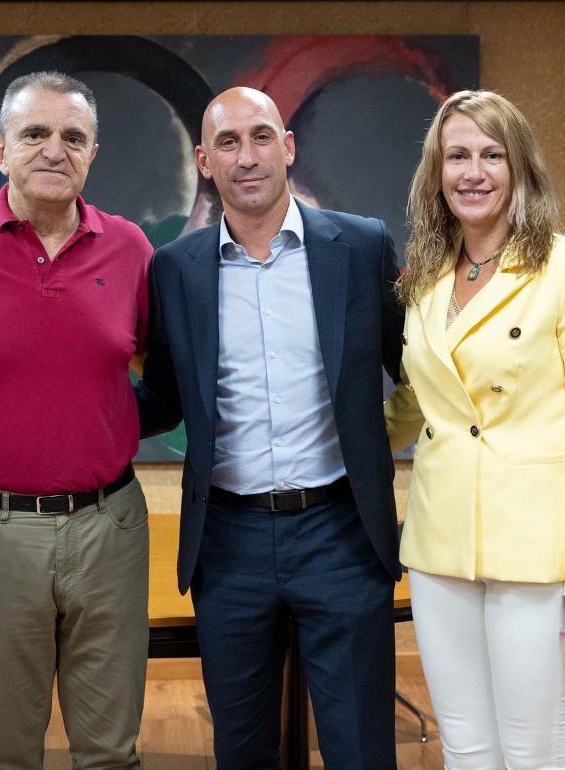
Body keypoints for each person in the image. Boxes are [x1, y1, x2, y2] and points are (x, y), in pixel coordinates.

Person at [135, 86, 404, 770]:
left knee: (360, 748)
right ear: (203, 160)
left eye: (261, 137)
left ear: (287, 147)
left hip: (341, 532)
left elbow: (421, 372)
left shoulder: (362, 247)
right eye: (227, 143)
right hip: (228, 543)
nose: (246, 156)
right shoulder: (176, 270)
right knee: (243, 749)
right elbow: (161, 399)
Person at [0, 71, 153, 770]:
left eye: (73, 137)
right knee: (9, 751)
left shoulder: (131, 249)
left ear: (93, 153)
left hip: (110, 526)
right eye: (35, 134)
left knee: (110, 749)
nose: (55, 150)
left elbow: (163, 374)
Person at [385, 89, 565, 770]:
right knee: (466, 748)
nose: (473, 171)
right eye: (457, 154)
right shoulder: (427, 277)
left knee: (533, 752)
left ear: (520, 167)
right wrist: (331, 442)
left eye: (492, 154)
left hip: (540, 558)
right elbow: (417, 405)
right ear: (436, 171)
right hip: (440, 550)